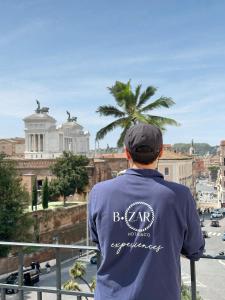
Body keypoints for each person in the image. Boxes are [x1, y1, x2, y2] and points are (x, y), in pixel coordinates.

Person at [88, 123, 205, 300]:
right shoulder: (180, 196)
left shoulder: (99, 192)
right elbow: (195, 249)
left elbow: (97, 240)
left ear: (127, 153)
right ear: (160, 153)